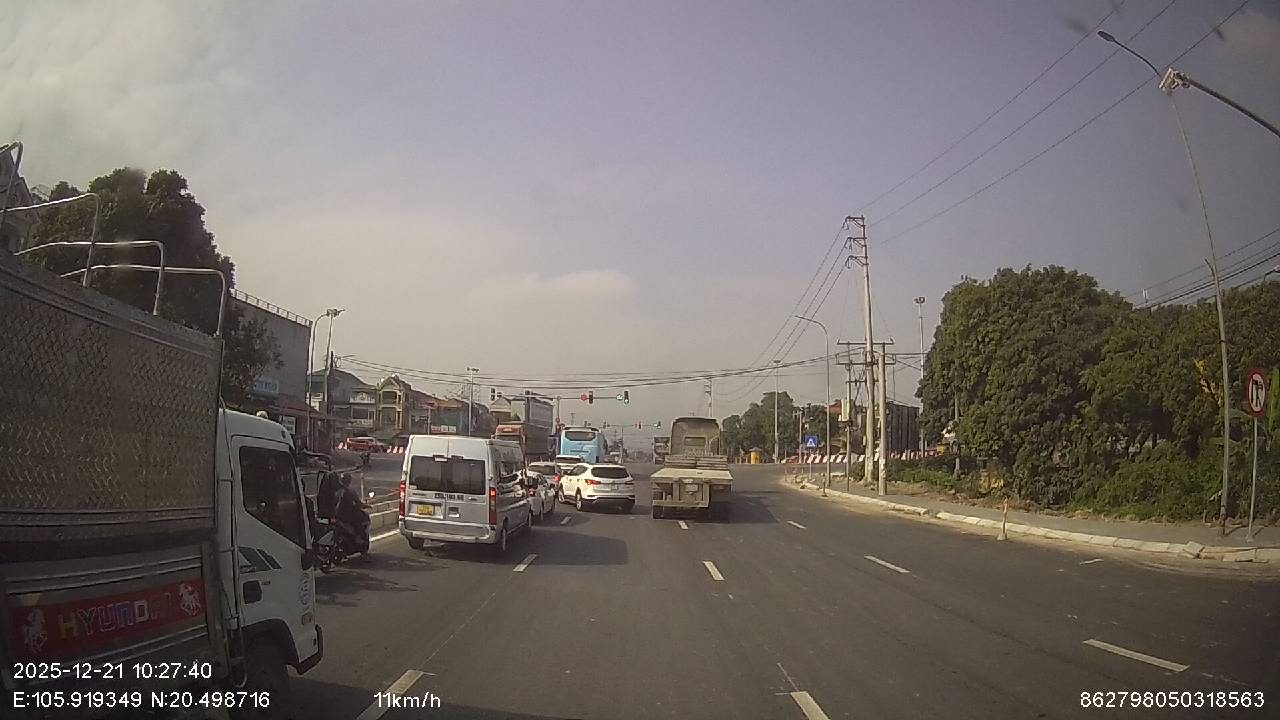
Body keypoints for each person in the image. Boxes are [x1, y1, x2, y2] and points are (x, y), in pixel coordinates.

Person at [334, 472, 370, 554]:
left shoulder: (337, 491)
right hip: (347, 517)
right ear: (349, 481)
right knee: (359, 522)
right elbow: (359, 503)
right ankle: (359, 538)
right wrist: (366, 506)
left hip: (337, 516)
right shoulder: (350, 491)